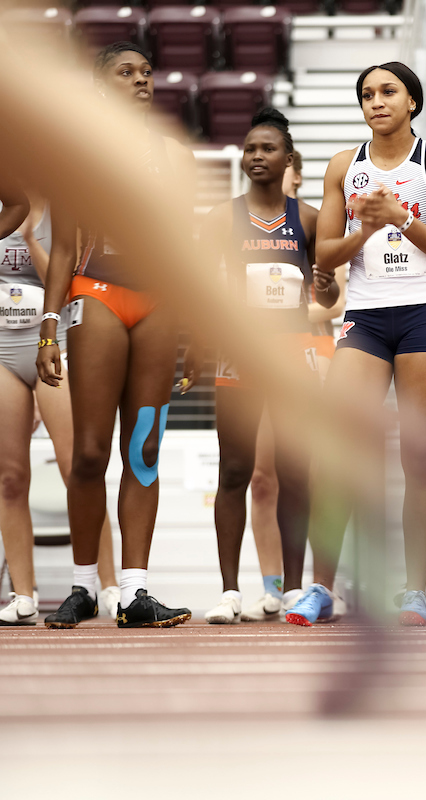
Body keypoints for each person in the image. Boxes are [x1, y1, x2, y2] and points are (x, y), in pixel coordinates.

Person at [285, 62, 426, 628]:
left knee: (419, 459)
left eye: (388, 91)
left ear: (412, 101)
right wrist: (365, 230)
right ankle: (321, 588)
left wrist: (401, 217)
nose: (377, 101)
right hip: (364, 319)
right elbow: (324, 255)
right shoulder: (345, 165)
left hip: (423, 316)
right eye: (367, 94)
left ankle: (414, 591)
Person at [37, 42, 195, 629]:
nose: (141, 80)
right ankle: (83, 586)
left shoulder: (176, 155)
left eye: (147, 72)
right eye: (126, 73)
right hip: (98, 294)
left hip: (159, 304)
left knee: (144, 450)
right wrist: (48, 328)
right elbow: (63, 249)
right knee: (89, 451)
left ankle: (134, 592)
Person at [193, 109, 338, 624]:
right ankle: (230, 592)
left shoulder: (311, 218)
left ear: (289, 159)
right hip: (242, 352)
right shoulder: (222, 217)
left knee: (296, 473)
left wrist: (324, 287)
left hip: (294, 352)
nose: (257, 156)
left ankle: (294, 588)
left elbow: (329, 293)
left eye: (268, 149)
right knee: (235, 470)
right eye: (250, 148)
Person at [1, 189, 127, 625]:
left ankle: (107, 585)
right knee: (9, 478)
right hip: (3, 346)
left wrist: (28, 237)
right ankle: (23, 594)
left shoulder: (61, 204)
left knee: (78, 468)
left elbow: (63, 280)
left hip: (52, 343)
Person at [240, 150, 348, 622]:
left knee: (317, 473)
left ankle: (319, 585)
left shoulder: (316, 223)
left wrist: (279, 312)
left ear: (297, 177)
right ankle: (274, 586)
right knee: (263, 475)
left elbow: (336, 301)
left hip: (313, 350)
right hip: (261, 354)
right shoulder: (245, 227)